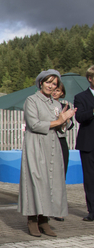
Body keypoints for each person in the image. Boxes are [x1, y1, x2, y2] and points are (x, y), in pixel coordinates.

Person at [18, 70, 76, 237]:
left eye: (54, 84)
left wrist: (65, 121)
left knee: (52, 182)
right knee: (35, 181)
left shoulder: (56, 104)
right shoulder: (32, 100)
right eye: (48, 82)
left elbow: (60, 128)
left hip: (52, 145)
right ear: (41, 82)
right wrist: (58, 120)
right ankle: (32, 220)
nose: (51, 86)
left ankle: (44, 220)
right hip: (35, 144)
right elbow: (34, 124)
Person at [51, 79, 74, 221]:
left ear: (62, 93)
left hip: (61, 141)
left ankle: (58, 209)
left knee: (61, 175)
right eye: (54, 89)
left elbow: (70, 124)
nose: (55, 92)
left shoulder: (65, 106)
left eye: (58, 90)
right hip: (47, 140)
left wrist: (65, 120)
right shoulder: (44, 105)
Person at [75, 65, 94, 222]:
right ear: (90, 79)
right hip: (88, 144)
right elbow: (79, 117)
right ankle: (92, 211)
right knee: (90, 179)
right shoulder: (80, 97)